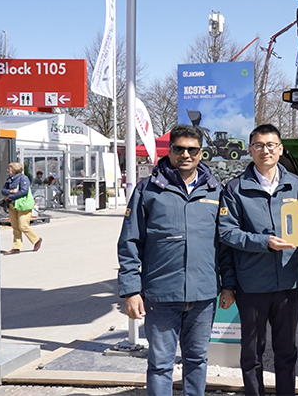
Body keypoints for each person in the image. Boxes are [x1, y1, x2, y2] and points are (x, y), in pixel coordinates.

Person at [117, 124, 222, 396]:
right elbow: (129, 242)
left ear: (201, 153)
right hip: (161, 295)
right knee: (160, 364)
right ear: (170, 150)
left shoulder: (215, 191)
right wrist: (130, 290)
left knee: (197, 360)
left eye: (192, 150)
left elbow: (224, 244)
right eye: (179, 149)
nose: (185, 155)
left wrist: (229, 284)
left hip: (203, 294)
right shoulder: (148, 190)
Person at [217, 124, 298, 396]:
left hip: (288, 282)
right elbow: (227, 233)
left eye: (271, 145)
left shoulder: (296, 185)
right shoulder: (235, 188)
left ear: (280, 150)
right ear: (250, 150)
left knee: (287, 351)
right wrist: (263, 242)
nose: (265, 150)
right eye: (259, 145)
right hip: (252, 284)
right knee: (252, 352)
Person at [1, 162, 42, 255]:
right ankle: (16, 247)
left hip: (23, 205)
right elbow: (3, 190)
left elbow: (24, 191)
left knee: (23, 225)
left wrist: (11, 196)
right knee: (15, 227)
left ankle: (36, 240)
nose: (8, 170)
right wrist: (12, 191)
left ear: (15, 169)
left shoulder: (23, 178)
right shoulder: (9, 179)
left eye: (10, 168)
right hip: (12, 205)